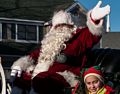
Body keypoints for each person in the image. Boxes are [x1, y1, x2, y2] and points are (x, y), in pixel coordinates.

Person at [10, 1, 110, 94]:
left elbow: (92, 35)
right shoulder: (48, 44)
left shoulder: (78, 39)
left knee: (43, 79)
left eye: (65, 25)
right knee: (18, 78)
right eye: (58, 26)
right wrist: (20, 65)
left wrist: (94, 19)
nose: (61, 29)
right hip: (40, 75)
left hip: (63, 76)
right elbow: (34, 55)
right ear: (53, 28)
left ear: (72, 27)